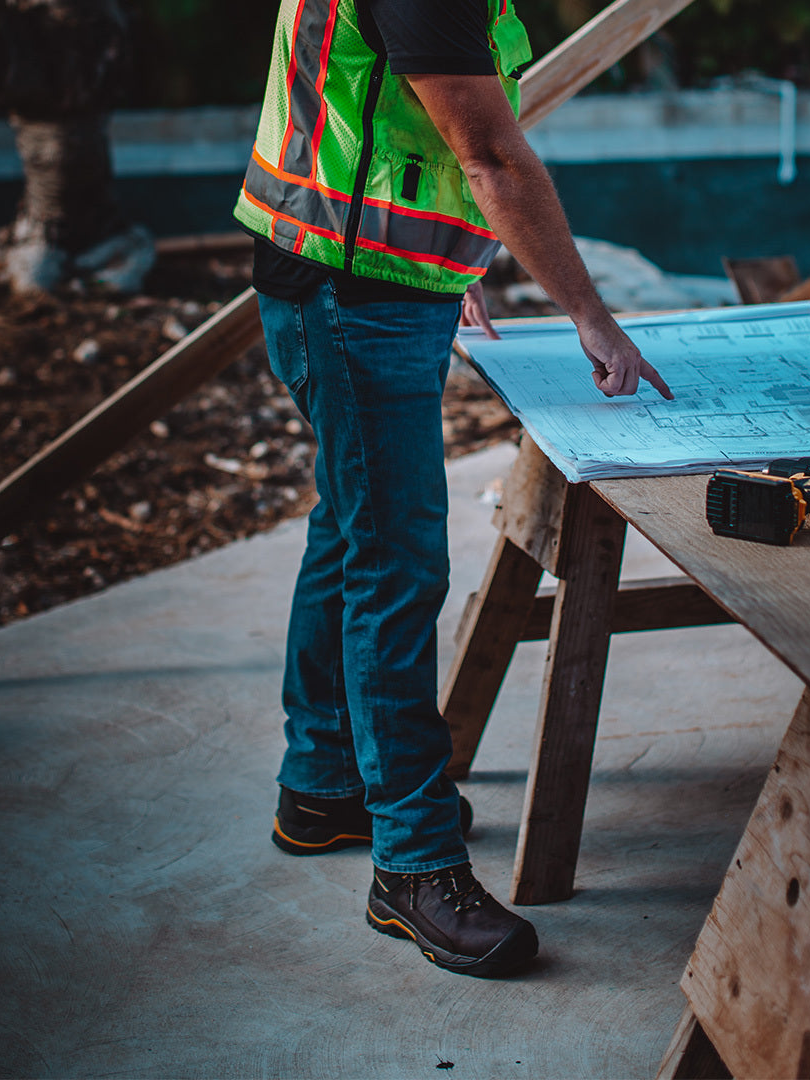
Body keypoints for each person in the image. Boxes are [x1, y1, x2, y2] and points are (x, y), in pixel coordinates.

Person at [234, 0, 673, 979]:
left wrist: (440, 249)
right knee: (395, 562)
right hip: (351, 294)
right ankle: (414, 863)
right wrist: (590, 315)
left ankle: (322, 786)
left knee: (352, 529)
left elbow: (411, 121)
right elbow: (491, 156)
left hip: (351, 268)